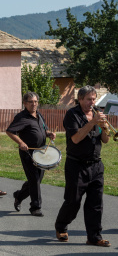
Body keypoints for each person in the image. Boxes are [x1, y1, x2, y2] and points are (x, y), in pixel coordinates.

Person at [55, 86, 111, 247]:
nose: (92, 103)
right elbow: (76, 139)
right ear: (80, 99)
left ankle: (94, 236)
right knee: (73, 201)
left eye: (94, 99)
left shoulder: (97, 115)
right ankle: (61, 226)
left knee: (96, 203)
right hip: (76, 165)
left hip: (96, 165)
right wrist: (92, 122)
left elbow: (105, 140)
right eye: (88, 99)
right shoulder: (72, 115)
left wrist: (105, 127)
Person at [6, 92, 56, 217]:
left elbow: (44, 129)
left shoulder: (39, 115)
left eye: (35, 101)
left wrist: (49, 133)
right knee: (34, 179)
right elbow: (10, 131)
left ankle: (19, 195)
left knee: (37, 180)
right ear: (25, 103)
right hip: (28, 153)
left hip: (41, 152)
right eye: (31, 102)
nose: (34, 104)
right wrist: (21, 142)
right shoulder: (22, 117)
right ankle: (35, 207)